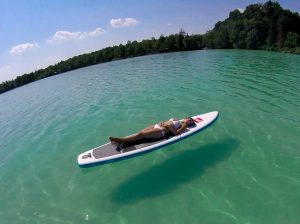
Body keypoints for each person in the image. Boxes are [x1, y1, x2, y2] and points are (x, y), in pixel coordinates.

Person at [109, 117, 195, 146]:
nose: (189, 121)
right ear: (187, 117)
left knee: (141, 134)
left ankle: (122, 140)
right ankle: (126, 140)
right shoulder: (178, 119)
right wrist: (163, 122)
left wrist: (167, 126)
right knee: (139, 133)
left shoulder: (184, 125)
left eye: (191, 122)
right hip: (156, 125)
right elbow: (167, 121)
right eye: (190, 119)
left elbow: (177, 133)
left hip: (161, 131)